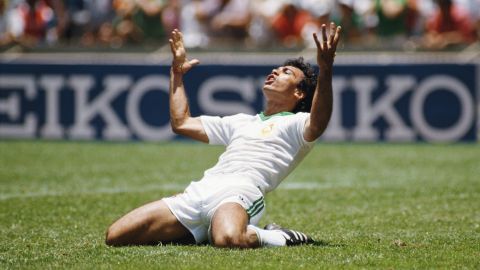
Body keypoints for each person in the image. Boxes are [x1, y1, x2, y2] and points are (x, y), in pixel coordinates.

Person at [105, 22, 341, 248]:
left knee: (229, 239)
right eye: (275, 69)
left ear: (299, 93)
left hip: (239, 193)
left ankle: (280, 236)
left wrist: (326, 69)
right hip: (199, 191)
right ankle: (199, 231)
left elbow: (319, 122)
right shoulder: (241, 121)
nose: (275, 72)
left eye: (285, 72)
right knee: (115, 235)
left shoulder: (296, 124)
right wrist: (177, 73)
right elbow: (182, 123)